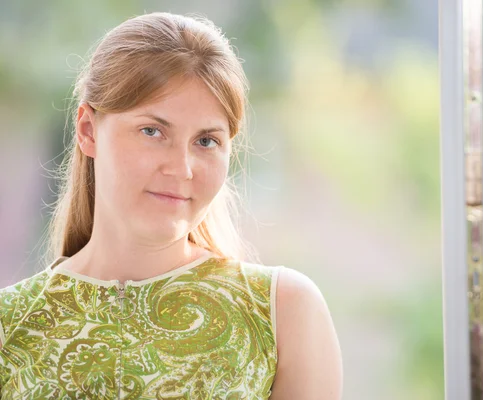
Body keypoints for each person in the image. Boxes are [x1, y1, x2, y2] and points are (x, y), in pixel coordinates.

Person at [0, 12, 343, 399]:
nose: (181, 169)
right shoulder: (9, 326)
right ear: (87, 131)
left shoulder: (282, 313)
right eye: (153, 131)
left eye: (206, 141)